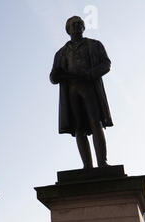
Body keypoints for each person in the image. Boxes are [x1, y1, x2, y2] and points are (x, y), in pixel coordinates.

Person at [50, 16, 113, 168]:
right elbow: (53, 77)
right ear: (68, 30)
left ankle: (102, 163)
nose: (77, 26)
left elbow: (106, 64)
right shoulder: (61, 53)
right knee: (78, 127)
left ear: (84, 27)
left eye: (80, 24)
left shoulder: (94, 45)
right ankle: (87, 166)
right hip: (72, 90)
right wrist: (58, 75)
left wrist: (90, 74)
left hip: (89, 86)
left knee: (95, 122)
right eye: (73, 24)